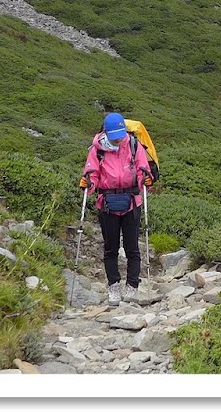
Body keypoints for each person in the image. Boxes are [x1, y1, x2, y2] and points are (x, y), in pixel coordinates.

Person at [81, 112, 153, 305]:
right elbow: (92, 173)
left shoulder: (134, 145)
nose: (118, 139)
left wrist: (146, 179)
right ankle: (113, 286)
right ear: (106, 132)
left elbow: (142, 170)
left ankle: (132, 286)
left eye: (120, 135)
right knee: (110, 248)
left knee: (132, 248)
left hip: (132, 201)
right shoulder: (97, 150)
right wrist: (89, 183)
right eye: (114, 136)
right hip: (107, 202)